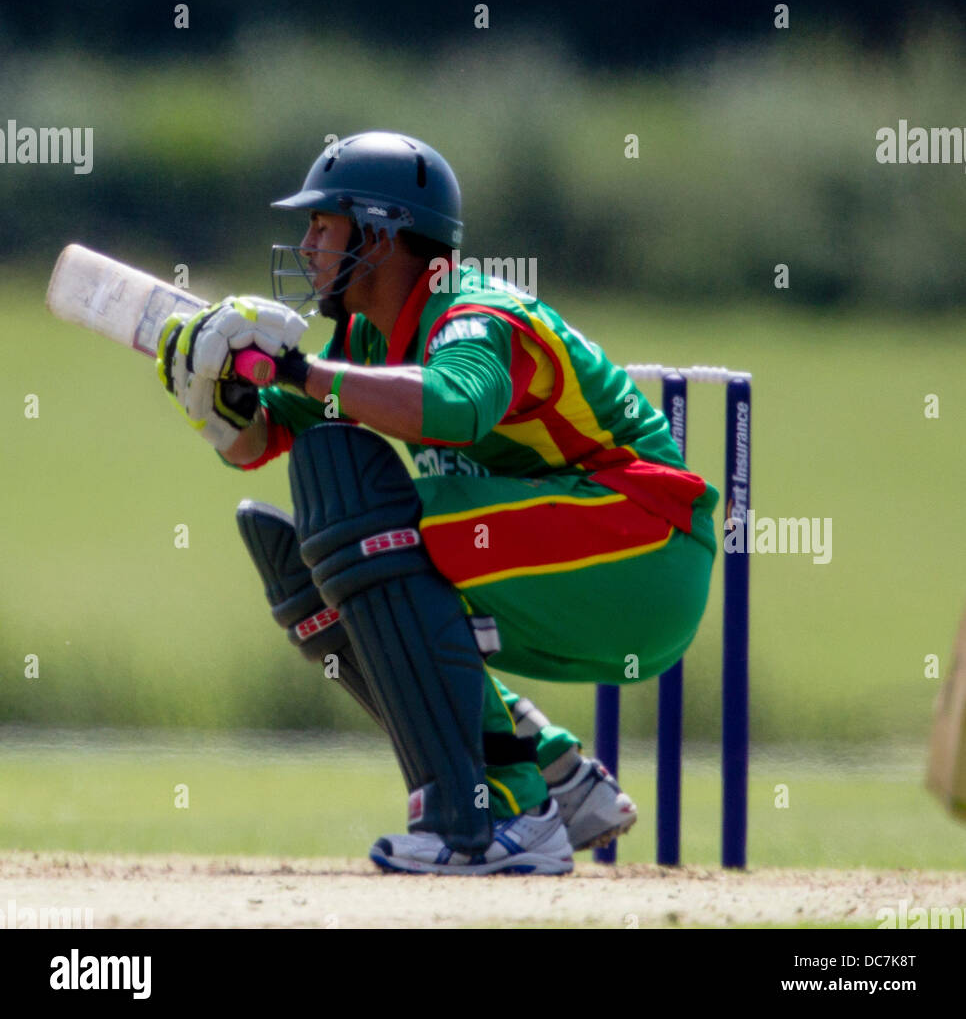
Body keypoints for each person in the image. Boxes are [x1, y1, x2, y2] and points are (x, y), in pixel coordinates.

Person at [156, 131, 719, 876]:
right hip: (581, 564)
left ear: (382, 233)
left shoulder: (475, 315)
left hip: (645, 550)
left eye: (322, 226)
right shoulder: (368, 337)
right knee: (311, 567)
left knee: (377, 530)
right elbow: (268, 440)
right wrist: (216, 402)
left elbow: (454, 407)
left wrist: (297, 366)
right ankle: (550, 773)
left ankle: (502, 818)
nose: (306, 243)